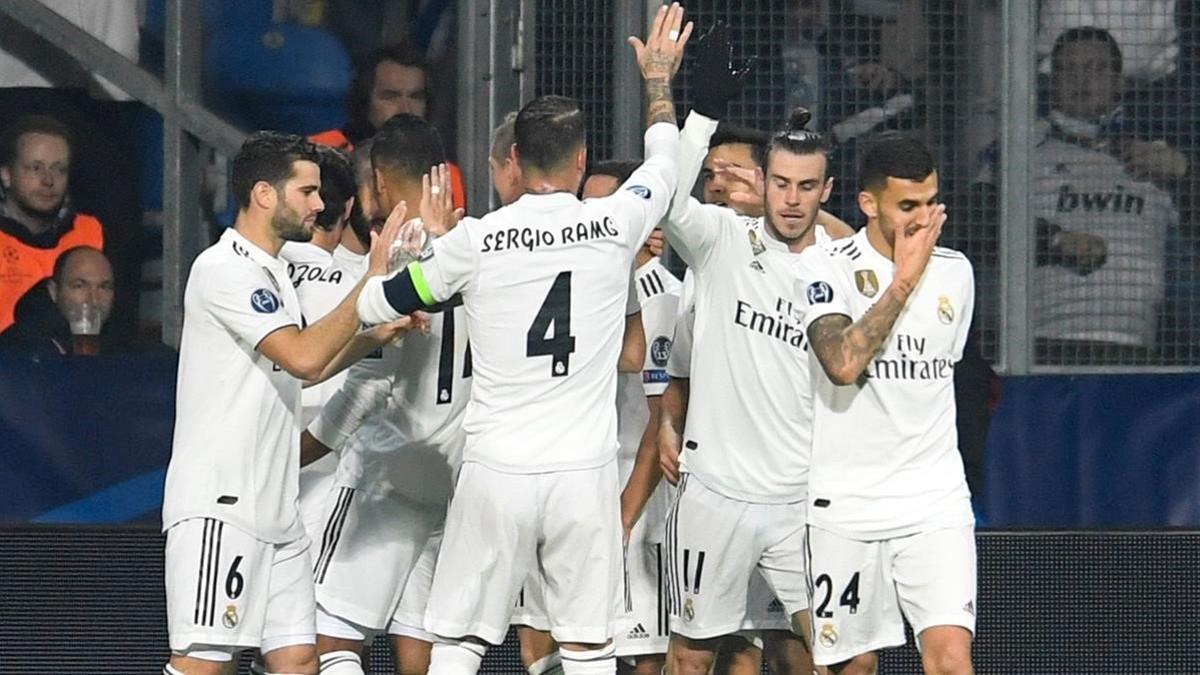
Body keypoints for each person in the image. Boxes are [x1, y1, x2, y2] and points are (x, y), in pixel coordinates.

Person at [354, 6, 689, 674]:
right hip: (582, 473)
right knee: (589, 643)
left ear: (513, 158)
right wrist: (657, 81)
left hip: (495, 469)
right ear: (583, 160)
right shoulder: (614, 222)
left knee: (460, 642)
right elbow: (665, 161)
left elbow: (375, 302)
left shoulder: (476, 240)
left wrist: (382, 286)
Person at [159, 131, 413, 675]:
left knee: (298, 661)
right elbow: (300, 356)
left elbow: (313, 365)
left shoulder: (274, 270)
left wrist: (375, 336)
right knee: (202, 663)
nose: (320, 205)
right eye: (307, 191)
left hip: (278, 507)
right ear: (264, 195)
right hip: (223, 503)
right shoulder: (224, 269)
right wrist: (369, 284)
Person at [647, 22, 851, 674]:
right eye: (781, 183)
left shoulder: (844, 266)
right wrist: (695, 113)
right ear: (763, 181)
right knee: (692, 654)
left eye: (806, 186)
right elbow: (665, 197)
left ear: (827, 189)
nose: (791, 200)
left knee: (843, 656)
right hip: (714, 495)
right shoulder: (723, 240)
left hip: (802, 499)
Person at [796, 132, 975, 675]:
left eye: (930, 203)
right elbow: (843, 365)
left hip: (933, 501)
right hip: (845, 507)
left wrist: (920, 272)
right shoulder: (823, 268)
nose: (922, 220)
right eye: (906, 207)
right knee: (854, 667)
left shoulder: (957, 273)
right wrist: (902, 282)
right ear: (868, 204)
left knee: (950, 656)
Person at [300, 115, 469, 675]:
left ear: (376, 180)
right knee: (421, 645)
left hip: (389, 467)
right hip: (456, 470)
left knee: (330, 639)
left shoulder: (397, 256)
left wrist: (300, 450)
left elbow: (371, 376)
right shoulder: (475, 244)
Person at [971, 27, 1182, 364]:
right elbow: (974, 217)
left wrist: (1187, 173)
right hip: (1040, 348)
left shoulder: (1156, 154)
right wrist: (1053, 240)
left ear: (1119, 82)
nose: (1080, 80)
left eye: (1096, 69)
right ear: (1052, 80)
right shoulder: (1018, 148)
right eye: (1068, 69)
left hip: (1137, 350)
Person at [309, 43, 466, 211]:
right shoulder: (320, 153)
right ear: (363, 100)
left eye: (416, 97)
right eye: (390, 96)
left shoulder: (444, 173)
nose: (406, 108)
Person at [0, 114, 103, 333]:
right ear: (6, 174)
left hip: (78, 363)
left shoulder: (90, 232)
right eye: (35, 168)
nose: (48, 180)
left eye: (59, 169)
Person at [0, 244, 112, 355]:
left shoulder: (122, 346)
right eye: (79, 286)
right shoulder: (16, 349)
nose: (94, 299)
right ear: (53, 291)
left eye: (104, 287)